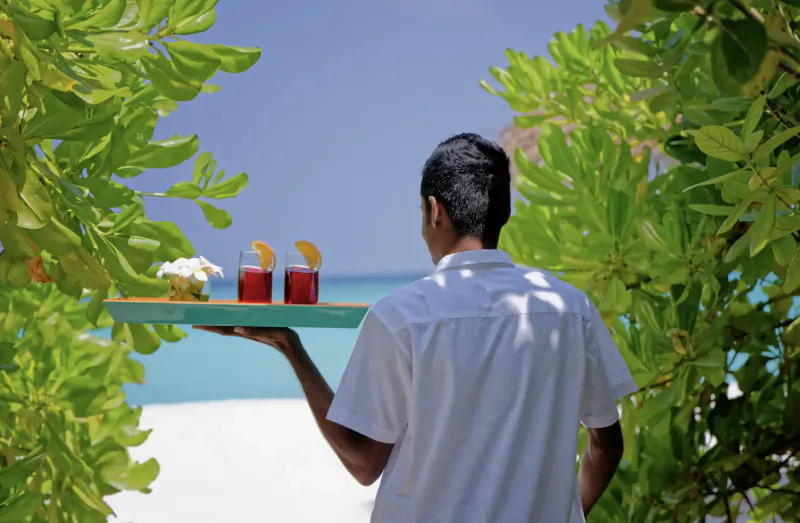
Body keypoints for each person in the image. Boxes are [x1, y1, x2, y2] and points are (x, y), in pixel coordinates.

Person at [196, 133, 638, 522]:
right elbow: (606, 446)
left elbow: (363, 463)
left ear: (434, 211)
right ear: (503, 212)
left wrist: (291, 348)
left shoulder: (400, 317)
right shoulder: (567, 308)